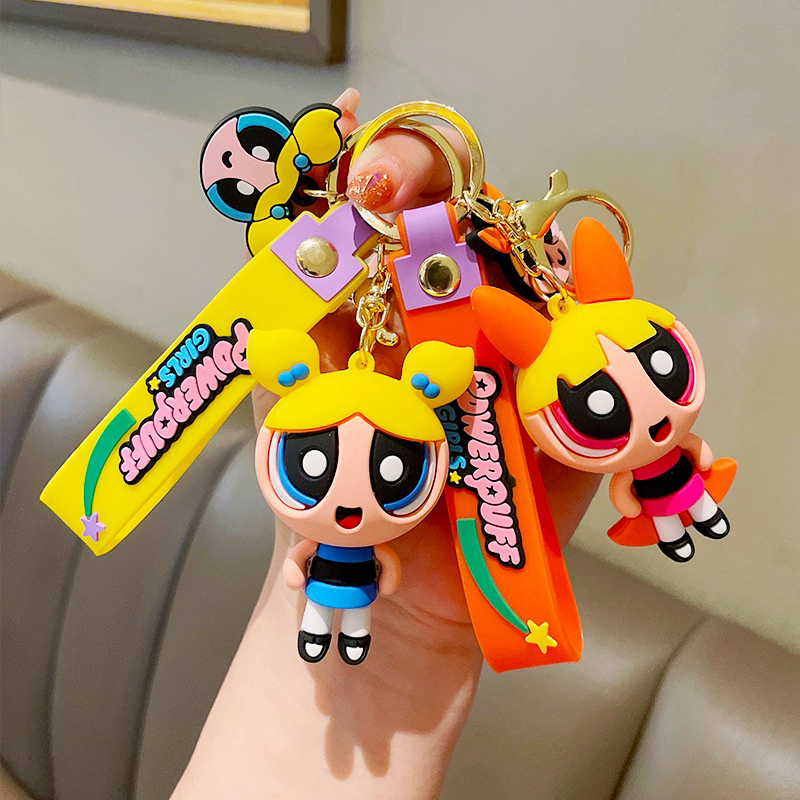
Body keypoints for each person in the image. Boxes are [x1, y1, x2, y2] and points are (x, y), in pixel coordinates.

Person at [170, 88, 600, 800]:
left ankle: (347, 634)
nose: (345, 499)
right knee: (325, 621)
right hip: (346, 598)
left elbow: (374, 569)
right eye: (313, 464)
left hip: (399, 586)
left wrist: (410, 644)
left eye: (394, 468)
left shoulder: (400, 535)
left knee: (344, 621)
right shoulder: (328, 521)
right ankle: (330, 634)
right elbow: (324, 560)